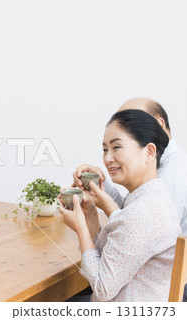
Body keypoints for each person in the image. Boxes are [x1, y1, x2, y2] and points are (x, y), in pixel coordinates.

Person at [73, 98, 187, 301]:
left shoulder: (152, 201)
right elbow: (120, 243)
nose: (108, 158)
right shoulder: (153, 192)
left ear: (149, 151)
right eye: (105, 149)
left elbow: (102, 288)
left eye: (116, 147)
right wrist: (90, 214)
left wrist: (80, 227)